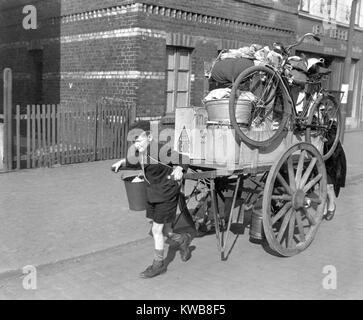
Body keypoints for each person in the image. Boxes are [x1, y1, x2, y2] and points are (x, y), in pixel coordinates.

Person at [112, 121, 192, 278]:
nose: (136, 144)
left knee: (156, 230)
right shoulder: (142, 151)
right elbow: (139, 163)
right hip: (153, 194)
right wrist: (122, 162)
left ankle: (159, 264)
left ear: (149, 136)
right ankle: (183, 240)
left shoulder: (160, 149)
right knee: (166, 231)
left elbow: (184, 158)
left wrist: (179, 168)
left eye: (139, 140)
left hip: (167, 193)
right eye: (133, 141)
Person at [323, 122, 346, 221]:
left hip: (333, 160)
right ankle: (324, 205)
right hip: (321, 157)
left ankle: (331, 205)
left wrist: (325, 140)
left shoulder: (331, 124)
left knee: (329, 186)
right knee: (322, 185)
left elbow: (333, 141)